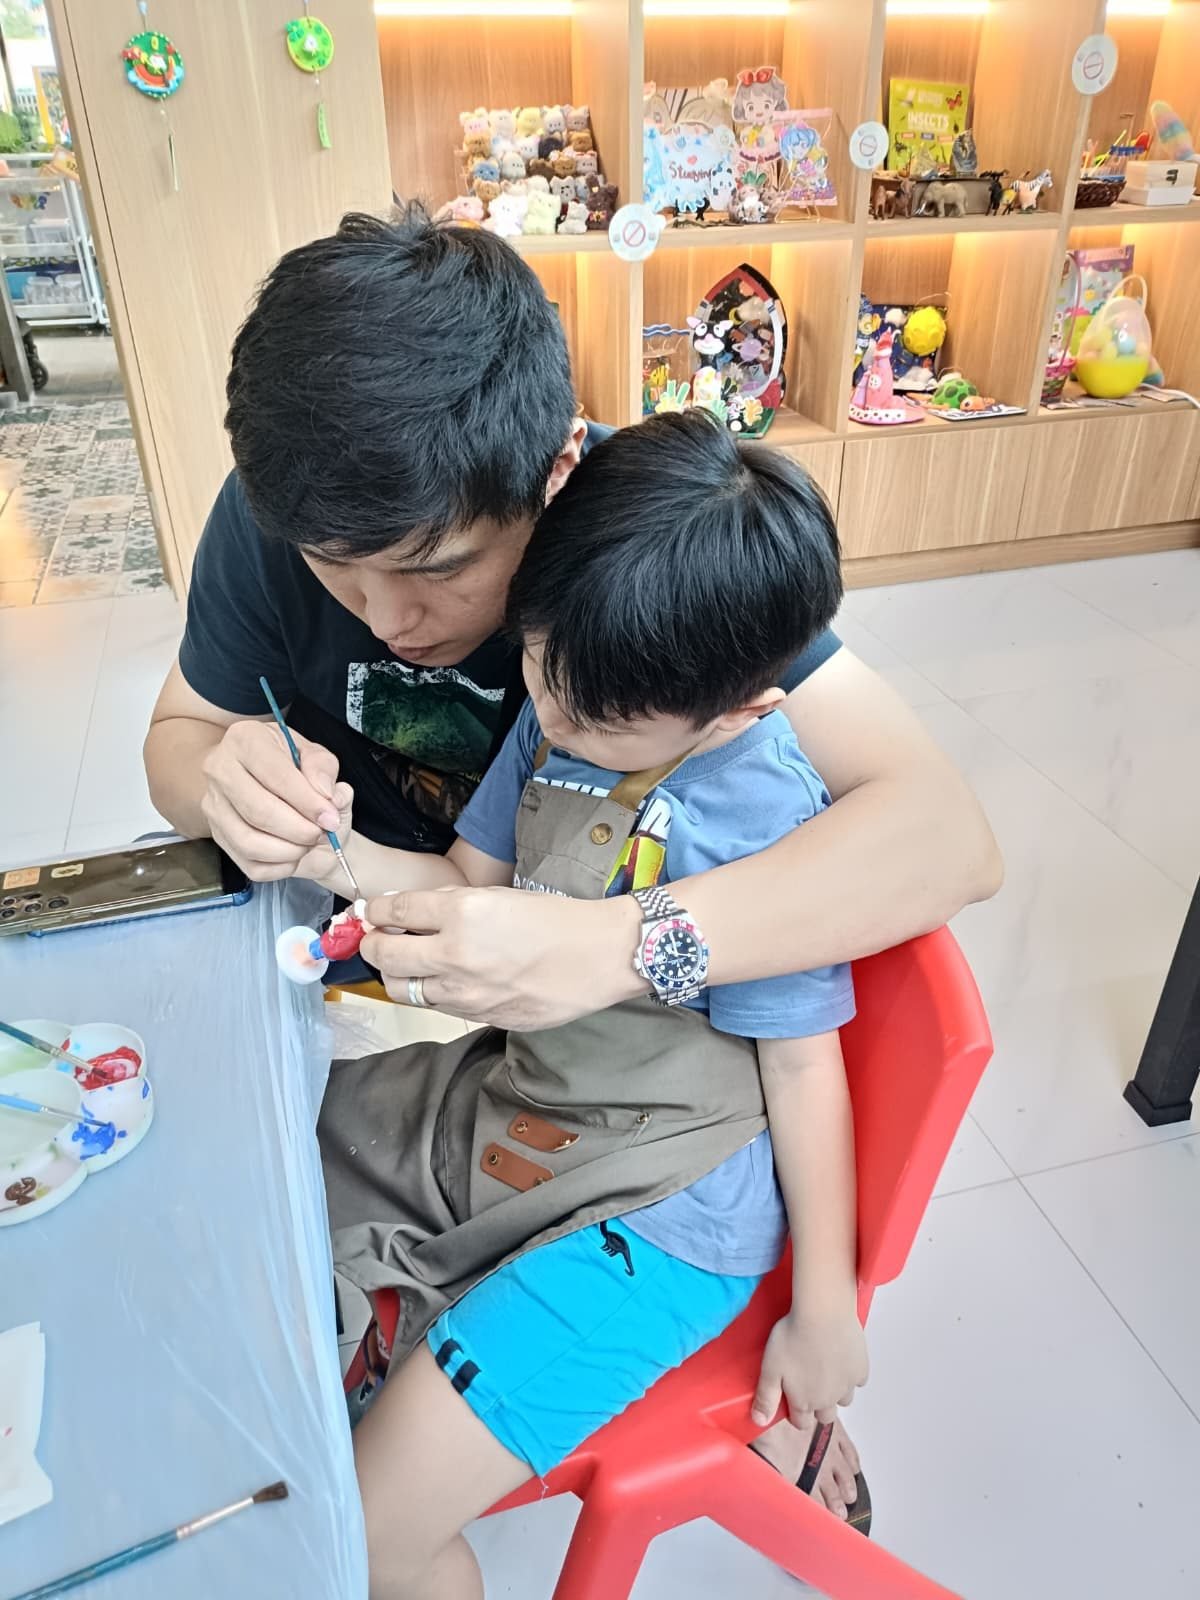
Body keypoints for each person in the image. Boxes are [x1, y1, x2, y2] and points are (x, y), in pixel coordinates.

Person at [143, 205, 1001, 1513]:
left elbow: (945, 837)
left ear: (556, 472)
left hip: (633, 1111)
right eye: (338, 570)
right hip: (436, 1006)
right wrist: (220, 782)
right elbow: (181, 740)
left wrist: (614, 946)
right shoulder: (296, 507)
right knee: (223, 1177)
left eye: (438, 569)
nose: (387, 617)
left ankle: (709, 1394)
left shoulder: (645, 573)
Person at [318, 412, 866, 1600]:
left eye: (594, 725)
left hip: (670, 1216)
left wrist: (826, 1307)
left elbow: (805, 1070)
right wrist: (329, 846)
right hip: (538, 1098)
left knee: (366, 1531)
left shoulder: (757, 815)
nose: (550, 726)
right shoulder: (571, 682)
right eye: (538, 675)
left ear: (740, 711)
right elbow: (469, 885)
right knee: (284, 1152)